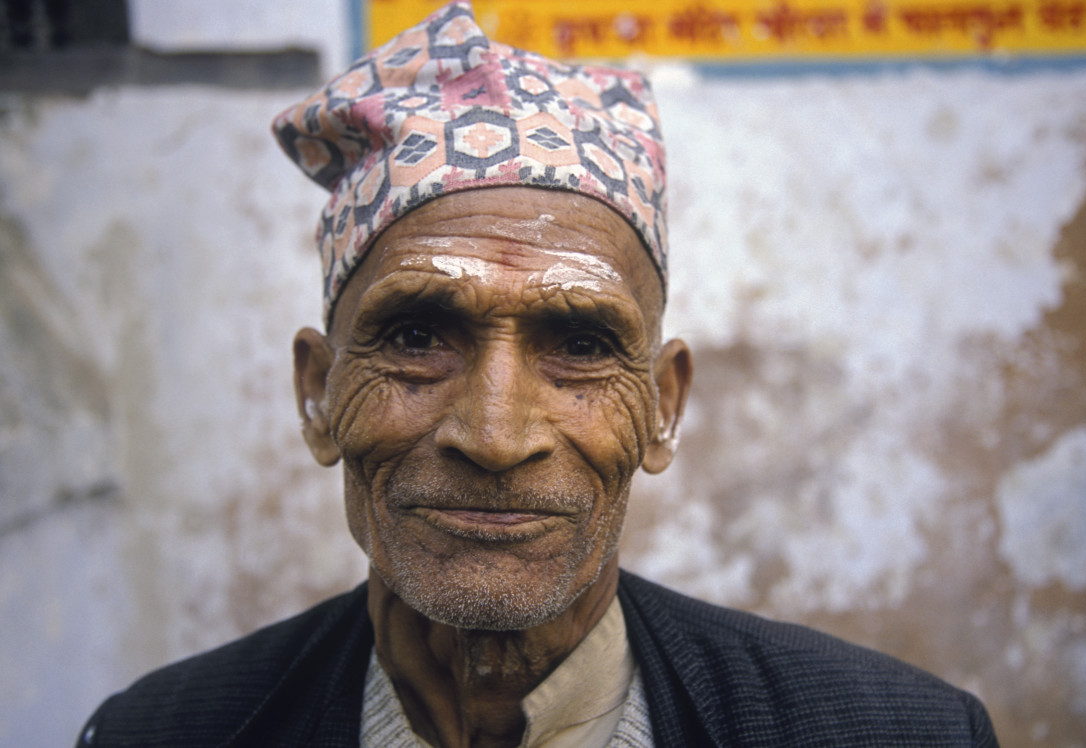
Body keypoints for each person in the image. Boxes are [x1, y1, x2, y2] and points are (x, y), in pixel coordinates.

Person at [75, 2, 999, 746]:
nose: (495, 434)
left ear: (663, 409)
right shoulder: (162, 732)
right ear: (317, 394)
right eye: (418, 336)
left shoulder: (894, 732)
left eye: (582, 347)